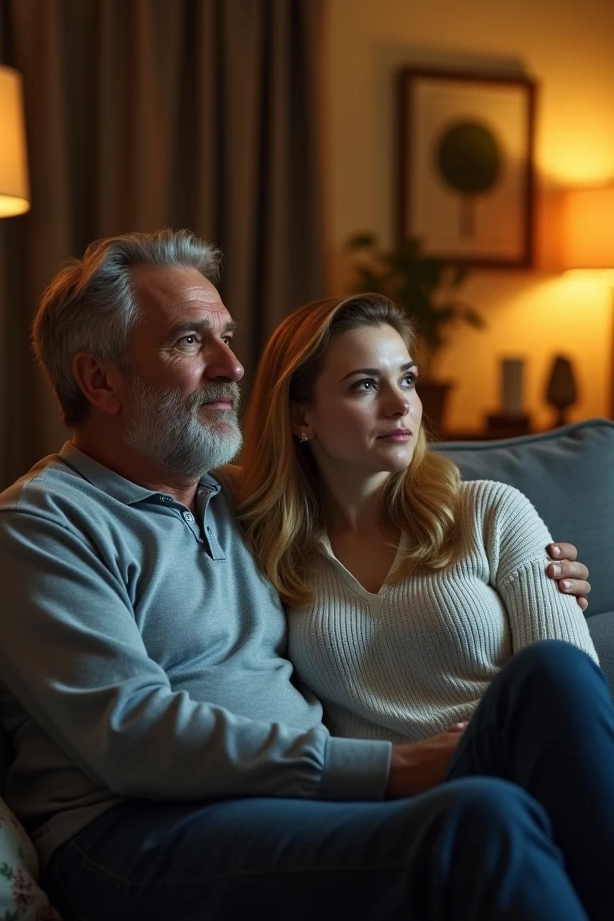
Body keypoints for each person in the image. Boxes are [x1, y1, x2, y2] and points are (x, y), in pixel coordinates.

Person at [0, 230, 611, 921]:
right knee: (477, 826)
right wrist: (384, 769)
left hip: (296, 812)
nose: (234, 367)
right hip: (137, 842)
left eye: (228, 338)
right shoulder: (40, 529)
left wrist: (534, 561)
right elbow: (131, 737)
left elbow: (380, 463)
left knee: (551, 679)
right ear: (99, 382)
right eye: (189, 343)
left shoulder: (240, 501)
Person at [236, 291, 598, 743]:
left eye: (407, 380)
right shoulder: (267, 547)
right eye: (364, 385)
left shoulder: (488, 510)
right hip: (388, 798)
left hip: (516, 765)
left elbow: (572, 687)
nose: (399, 403)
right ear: (299, 416)